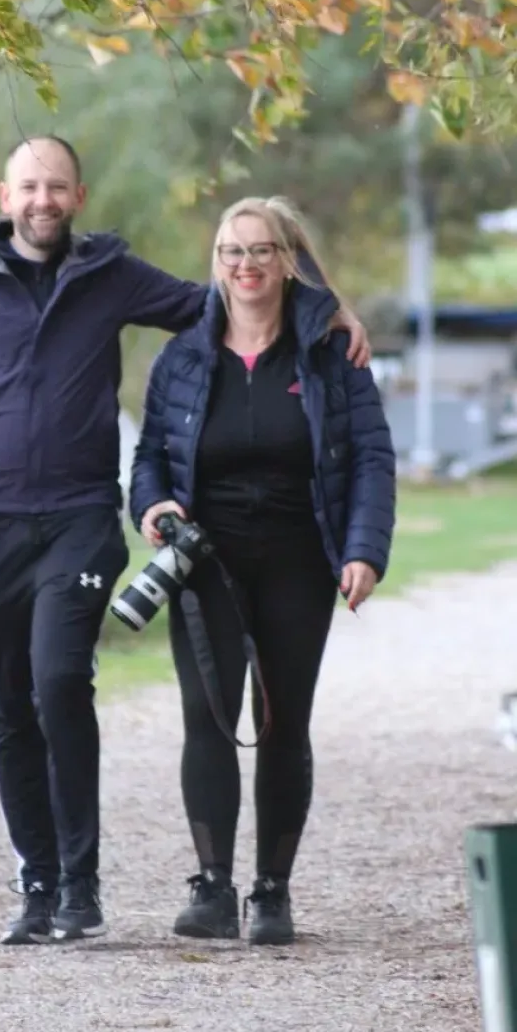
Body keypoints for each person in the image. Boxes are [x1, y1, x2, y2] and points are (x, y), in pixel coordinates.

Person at [0, 138, 372, 947]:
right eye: (29, 186)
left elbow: (230, 295)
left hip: (78, 518)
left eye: (57, 187)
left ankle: (80, 882)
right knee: (7, 709)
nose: (43, 200)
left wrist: (325, 308)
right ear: (5, 194)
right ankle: (38, 884)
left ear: (79, 195)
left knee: (61, 680)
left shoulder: (110, 275)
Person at [130, 195, 396, 946]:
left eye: (260, 251)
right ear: (215, 263)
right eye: (230, 252)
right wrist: (151, 505)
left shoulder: (329, 353)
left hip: (296, 559)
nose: (244, 265)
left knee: (283, 724)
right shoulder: (184, 352)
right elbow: (149, 454)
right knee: (207, 718)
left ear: (287, 261)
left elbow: (372, 456)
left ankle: (272, 892)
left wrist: (363, 550)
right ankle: (213, 887)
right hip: (203, 560)